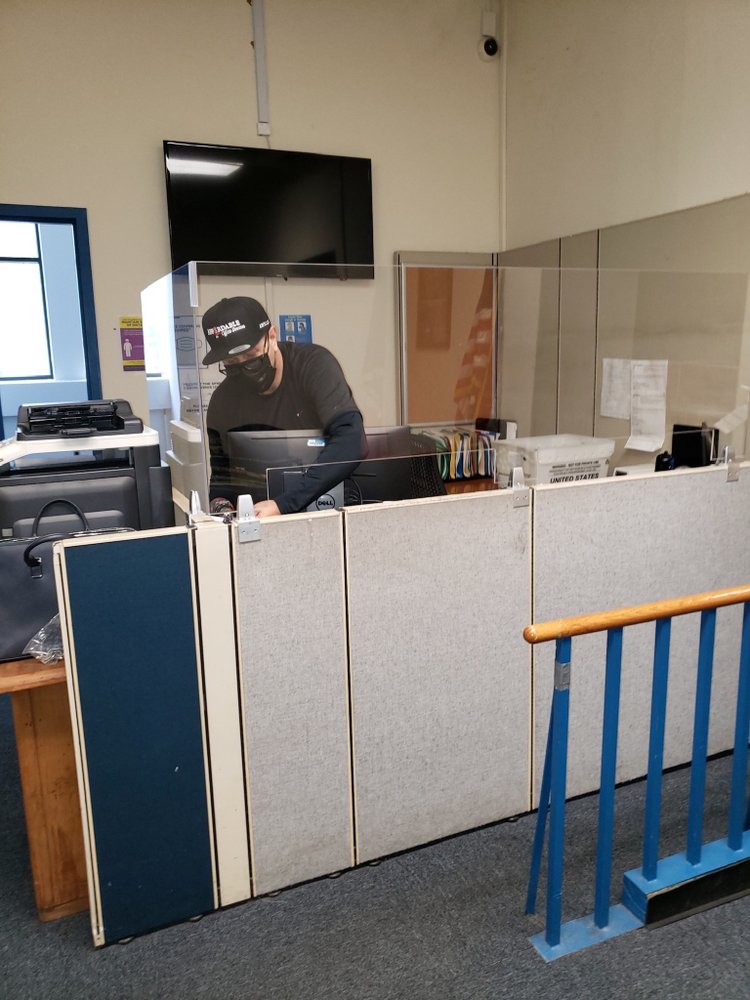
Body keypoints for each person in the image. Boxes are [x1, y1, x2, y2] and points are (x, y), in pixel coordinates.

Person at [201, 296, 367, 517]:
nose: (245, 369)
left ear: (272, 336)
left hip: (328, 508)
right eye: (231, 364)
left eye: (251, 356)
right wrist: (222, 509)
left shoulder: (314, 365)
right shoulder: (223, 401)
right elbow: (222, 478)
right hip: (260, 520)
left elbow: (352, 440)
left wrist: (284, 504)